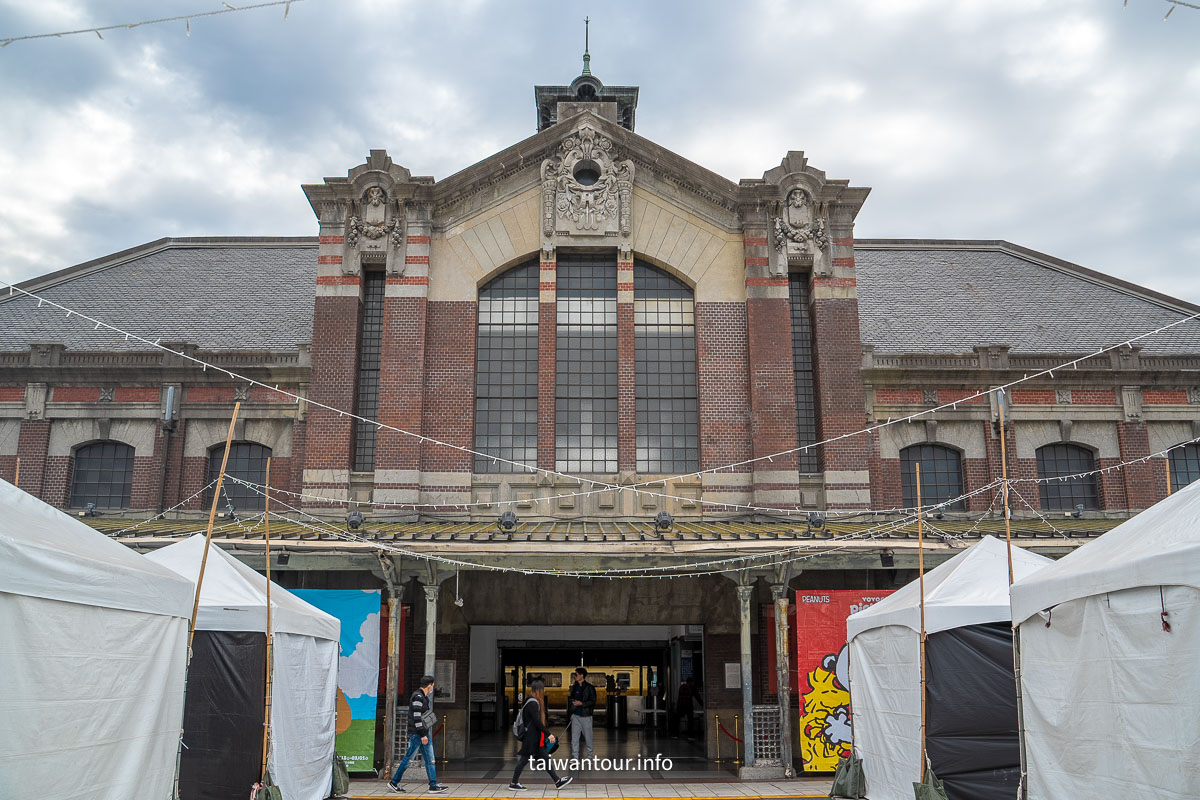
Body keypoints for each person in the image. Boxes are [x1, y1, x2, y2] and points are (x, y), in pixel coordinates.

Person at [510, 679, 573, 791]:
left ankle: (557, 781)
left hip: (536, 738)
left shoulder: (530, 701)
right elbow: (537, 722)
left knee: (546, 759)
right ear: (539, 690)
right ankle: (514, 783)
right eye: (542, 689)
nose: (544, 691)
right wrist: (549, 734)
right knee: (524, 760)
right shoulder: (533, 703)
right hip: (531, 738)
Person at [388, 675, 447, 793]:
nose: (432, 689)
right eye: (432, 686)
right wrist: (423, 735)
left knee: (430, 759)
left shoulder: (423, 697)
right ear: (429, 685)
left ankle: (433, 784)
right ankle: (394, 782)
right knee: (408, 758)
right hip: (417, 734)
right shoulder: (418, 697)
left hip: (422, 733)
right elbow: (417, 718)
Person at [567, 667, 596, 761]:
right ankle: (575, 756)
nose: (574, 676)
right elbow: (571, 699)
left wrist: (582, 704)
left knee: (588, 737)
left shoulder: (589, 687)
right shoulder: (574, 687)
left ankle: (590, 756)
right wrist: (571, 711)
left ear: (581, 675)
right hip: (575, 715)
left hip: (586, 716)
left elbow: (593, 701)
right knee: (574, 737)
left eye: (576, 674)